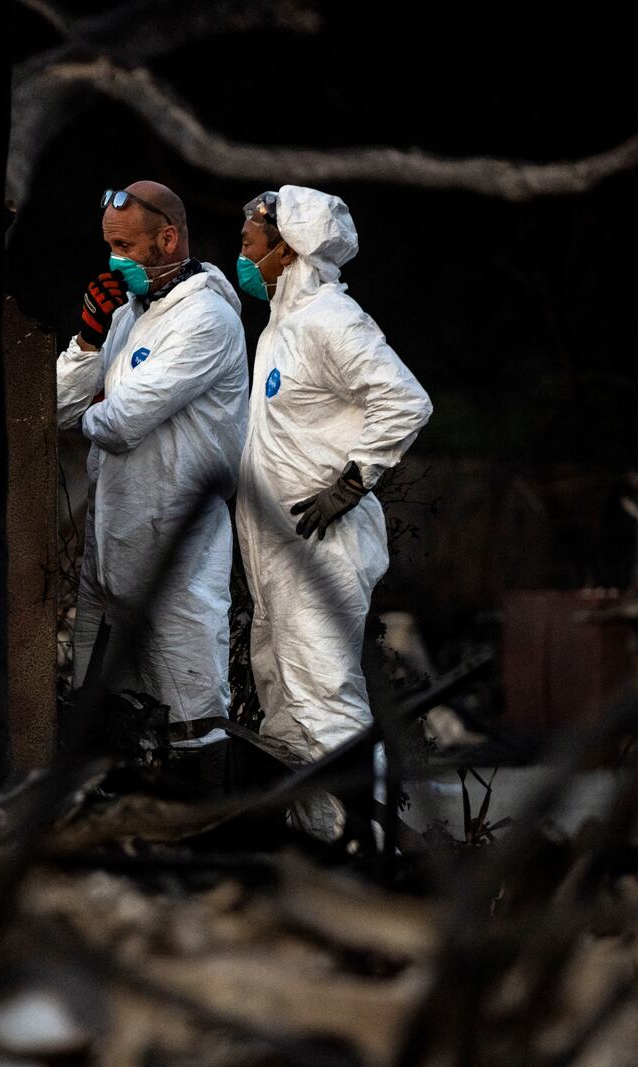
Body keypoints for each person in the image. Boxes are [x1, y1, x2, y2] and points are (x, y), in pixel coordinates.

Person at [233, 184, 432, 840]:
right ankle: (317, 850)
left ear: (287, 248)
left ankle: (364, 857)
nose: (243, 251)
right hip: (278, 551)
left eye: (251, 241)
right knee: (285, 707)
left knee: (326, 705)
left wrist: (351, 482)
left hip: (323, 547)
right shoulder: (283, 328)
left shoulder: (329, 319)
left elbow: (405, 400)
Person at [57, 181, 248, 747]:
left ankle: (203, 824)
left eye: (125, 246)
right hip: (110, 540)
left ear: (167, 240)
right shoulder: (125, 314)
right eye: (108, 246)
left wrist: (94, 411)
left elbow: (119, 423)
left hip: (176, 547)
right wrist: (89, 341)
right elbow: (57, 405)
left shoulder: (206, 319)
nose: (114, 260)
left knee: (190, 715)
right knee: (103, 716)